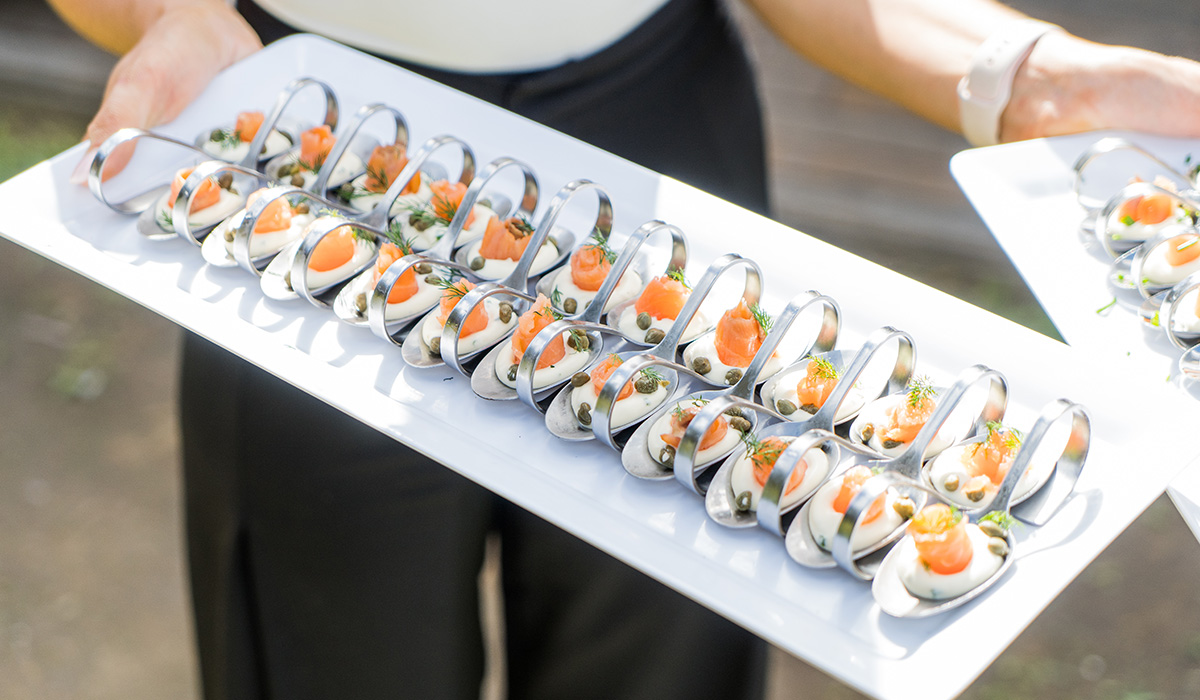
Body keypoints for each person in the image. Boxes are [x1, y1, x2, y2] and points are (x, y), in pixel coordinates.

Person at [45, 1, 1200, 699]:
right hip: (305, 118)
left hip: (654, 133)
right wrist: (161, 14)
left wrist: (1027, 78)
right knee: (326, 642)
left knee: (668, 654)